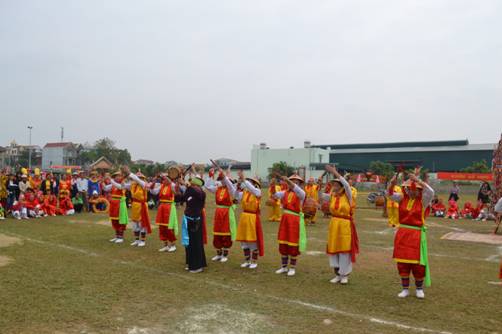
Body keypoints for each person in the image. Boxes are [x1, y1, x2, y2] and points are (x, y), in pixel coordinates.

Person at [388, 173, 434, 299]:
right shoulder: (402, 198)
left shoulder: (423, 201)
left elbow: (431, 192)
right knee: (402, 262)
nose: (410, 191)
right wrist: (392, 183)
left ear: (419, 190)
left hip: (416, 234)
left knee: (418, 263)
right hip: (402, 233)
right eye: (408, 188)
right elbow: (390, 195)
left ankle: (419, 288)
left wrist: (418, 180)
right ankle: (405, 289)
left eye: (414, 189)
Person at [322, 165, 359, 285]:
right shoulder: (332, 195)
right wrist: (319, 187)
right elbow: (321, 197)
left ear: (342, 186)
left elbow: (347, 185)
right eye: (334, 185)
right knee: (334, 248)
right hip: (334, 224)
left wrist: (334, 172)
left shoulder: (348, 195)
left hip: (345, 224)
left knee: (344, 250)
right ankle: (337, 274)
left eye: (337, 185)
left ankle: (344, 275)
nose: (335, 186)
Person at [224, 170, 264, 269]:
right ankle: (247, 260)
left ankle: (254, 261)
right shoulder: (245, 192)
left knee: (252, 240)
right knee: (244, 241)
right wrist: (237, 186)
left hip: (252, 218)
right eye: (248, 181)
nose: (249, 183)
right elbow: (235, 195)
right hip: (244, 217)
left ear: (255, 184)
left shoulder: (257, 192)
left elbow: (252, 189)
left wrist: (244, 180)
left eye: (251, 182)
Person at [270, 174, 307, 277]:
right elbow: (274, 195)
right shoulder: (285, 192)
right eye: (292, 181)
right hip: (285, 219)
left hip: (294, 220)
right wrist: (273, 185)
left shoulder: (301, 193)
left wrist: (287, 181)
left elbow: (295, 188)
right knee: (283, 242)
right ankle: (284, 266)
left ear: (299, 183)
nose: (294, 183)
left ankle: (292, 268)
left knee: (293, 243)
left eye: (296, 181)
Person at [204, 168, 237, 263]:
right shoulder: (218, 188)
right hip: (218, 212)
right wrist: (210, 176)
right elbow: (208, 186)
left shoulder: (231, 189)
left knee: (226, 233)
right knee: (217, 232)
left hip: (226, 212)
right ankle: (218, 253)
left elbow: (229, 184)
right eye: (220, 179)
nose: (221, 181)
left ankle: (225, 254)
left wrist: (224, 175)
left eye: (222, 179)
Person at [177, 173, 207, 273]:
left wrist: (187, 185)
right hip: (188, 220)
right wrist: (176, 188)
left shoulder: (201, 194)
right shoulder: (190, 192)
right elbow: (181, 198)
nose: (192, 186)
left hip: (195, 221)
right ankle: (191, 263)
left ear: (198, 186)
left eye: (194, 185)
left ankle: (197, 266)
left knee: (195, 243)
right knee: (189, 243)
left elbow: (196, 192)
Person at [122, 167, 152, 247]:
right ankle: (136, 240)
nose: (138, 179)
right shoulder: (133, 185)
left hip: (142, 205)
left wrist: (129, 173)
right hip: (135, 205)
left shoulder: (144, 184)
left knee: (142, 223)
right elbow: (122, 186)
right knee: (135, 223)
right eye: (138, 178)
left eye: (140, 178)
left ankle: (142, 240)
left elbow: (137, 180)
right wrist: (123, 178)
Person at [150, 173, 178, 252]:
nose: (164, 180)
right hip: (162, 207)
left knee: (169, 227)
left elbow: (172, 184)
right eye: (163, 179)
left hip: (169, 207)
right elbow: (153, 191)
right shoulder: (161, 186)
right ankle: (165, 245)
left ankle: (173, 245)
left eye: (165, 179)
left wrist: (165, 177)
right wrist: (153, 182)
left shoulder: (172, 186)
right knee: (162, 227)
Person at [103, 171, 129, 244]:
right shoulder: (113, 185)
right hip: (113, 204)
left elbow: (120, 187)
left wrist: (110, 179)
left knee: (120, 220)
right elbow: (105, 188)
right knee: (114, 220)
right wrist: (102, 181)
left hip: (120, 204)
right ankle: (117, 236)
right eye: (116, 176)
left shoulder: (123, 184)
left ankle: (121, 237)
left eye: (119, 176)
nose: (117, 177)